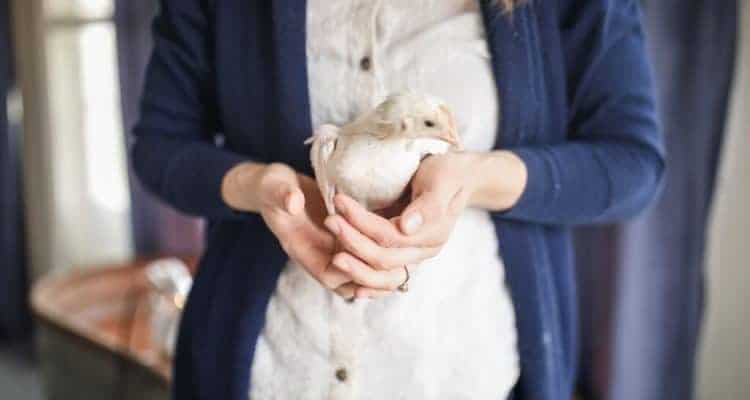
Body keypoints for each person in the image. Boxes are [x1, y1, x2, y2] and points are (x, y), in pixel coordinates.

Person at [130, 0, 664, 399]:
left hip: (469, 372)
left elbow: (633, 163)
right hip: (270, 370)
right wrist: (263, 189)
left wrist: (475, 178)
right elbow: (161, 146)